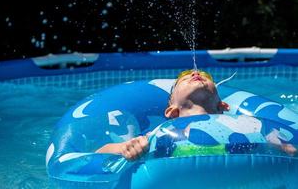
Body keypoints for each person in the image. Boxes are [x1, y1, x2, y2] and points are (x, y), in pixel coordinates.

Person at [96, 69, 296, 159]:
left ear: (223, 106)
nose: (195, 74)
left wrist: (285, 146)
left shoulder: (242, 124)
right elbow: (100, 151)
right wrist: (127, 146)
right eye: (184, 79)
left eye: (207, 77)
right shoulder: (163, 132)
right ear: (171, 111)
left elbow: (271, 138)